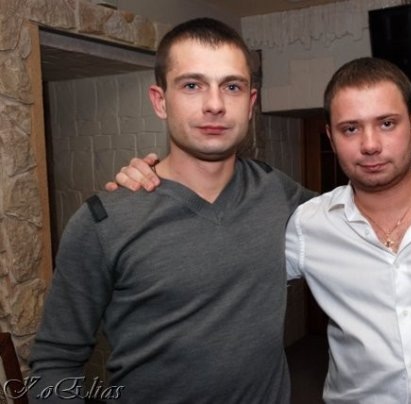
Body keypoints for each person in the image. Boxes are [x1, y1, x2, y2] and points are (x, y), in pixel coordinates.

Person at [113, 58, 411, 403]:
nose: (370, 145)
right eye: (350, 129)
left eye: (387, 123)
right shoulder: (309, 225)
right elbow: (225, 264)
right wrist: (158, 183)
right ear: (330, 137)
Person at [28, 17, 314, 404]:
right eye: (192, 85)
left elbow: (361, 213)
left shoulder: (276, 191)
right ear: (160, 101)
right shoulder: (104, 221)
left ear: (250, 104)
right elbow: (54, 362)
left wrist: (406, 168)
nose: (215, 105)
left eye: (231, 87)